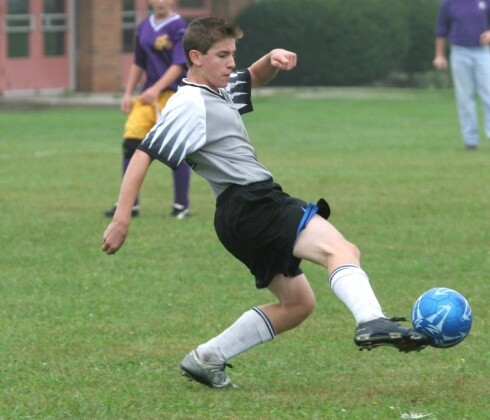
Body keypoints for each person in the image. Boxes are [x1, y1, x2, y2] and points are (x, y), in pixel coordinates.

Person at [102, 16, 431, 389]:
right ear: (195, 57)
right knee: (340, 249)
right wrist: (122, 217)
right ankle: (371, 320)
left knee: (298, 305)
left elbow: (251, 77)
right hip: (254, 203)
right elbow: (144, 153)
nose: (230, 63)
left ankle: (206, 357)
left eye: (233, 54)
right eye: (222, 55)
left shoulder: (217, 88)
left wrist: (270, 59)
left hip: (237, 216)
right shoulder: (188, 103)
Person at [104, 0, 191, 219]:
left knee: (175, 149)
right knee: (130, 144)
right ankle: (130, 204)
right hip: (147, 95)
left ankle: (181, 205)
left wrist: (157, 88)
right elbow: (138, 62)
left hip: (172, 95)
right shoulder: (143, 26)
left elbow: (178, 65)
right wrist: (128, 93)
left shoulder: (179, 26)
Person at [433, 0, 490, 152]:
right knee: (464, 97)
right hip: (459, 51)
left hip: (482, 52)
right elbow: (441, 30)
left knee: (489, 95)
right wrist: (439, 55)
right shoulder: (449, 3)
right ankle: (470, 140)